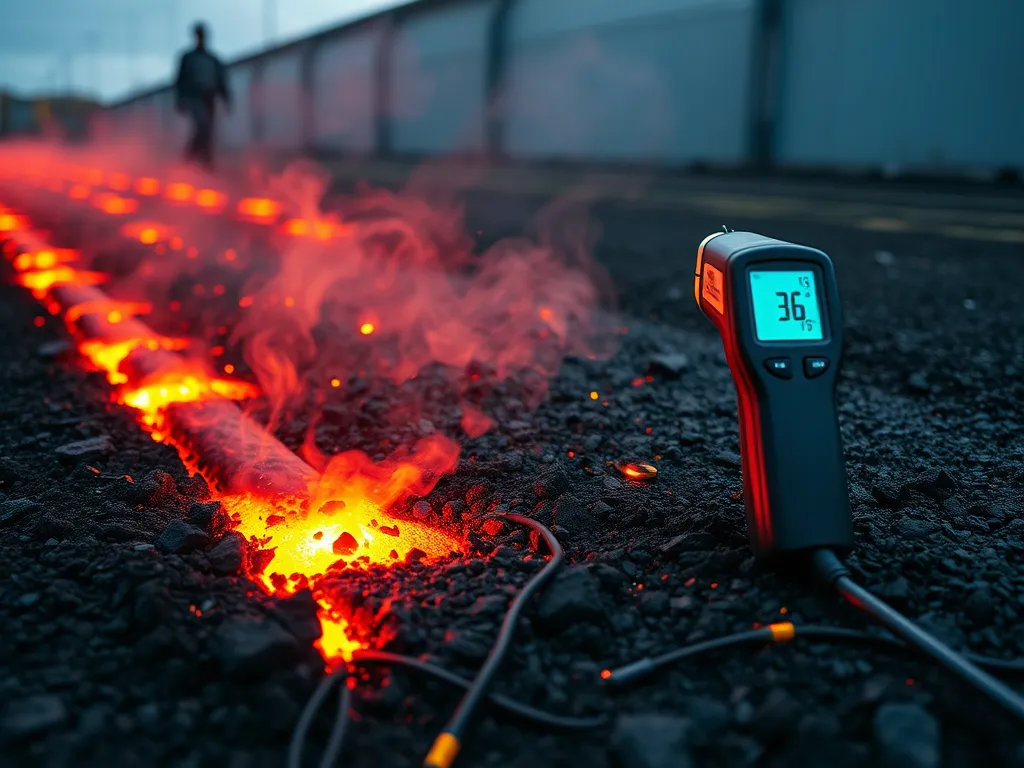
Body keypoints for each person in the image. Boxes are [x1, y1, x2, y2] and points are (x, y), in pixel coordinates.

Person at [174, 23, 231, 170]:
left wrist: (226, 98)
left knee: (209, 131)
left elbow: (221, 80)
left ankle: (205, 161)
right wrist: (180, 99)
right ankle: (190, 158)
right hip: (194, 97)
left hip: (209, 98)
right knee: (202, 125)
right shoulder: (188, 58)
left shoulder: (213, 59)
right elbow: (180, 80)